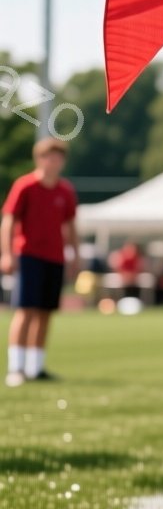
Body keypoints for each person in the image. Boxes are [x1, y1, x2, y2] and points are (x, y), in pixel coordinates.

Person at [3, 138, 79, 386]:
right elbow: (9, 221)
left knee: (46, 312)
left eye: (58, 158)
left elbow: (70, 226)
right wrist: (6, 253)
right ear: (39, 159)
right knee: (26, 310)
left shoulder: (65, 191)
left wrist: (74, 255)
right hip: (28, 256)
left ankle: (36, 367)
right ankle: (16, 368)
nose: (53, 162)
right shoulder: (25, 186)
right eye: (49, 157)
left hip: (54, 258)